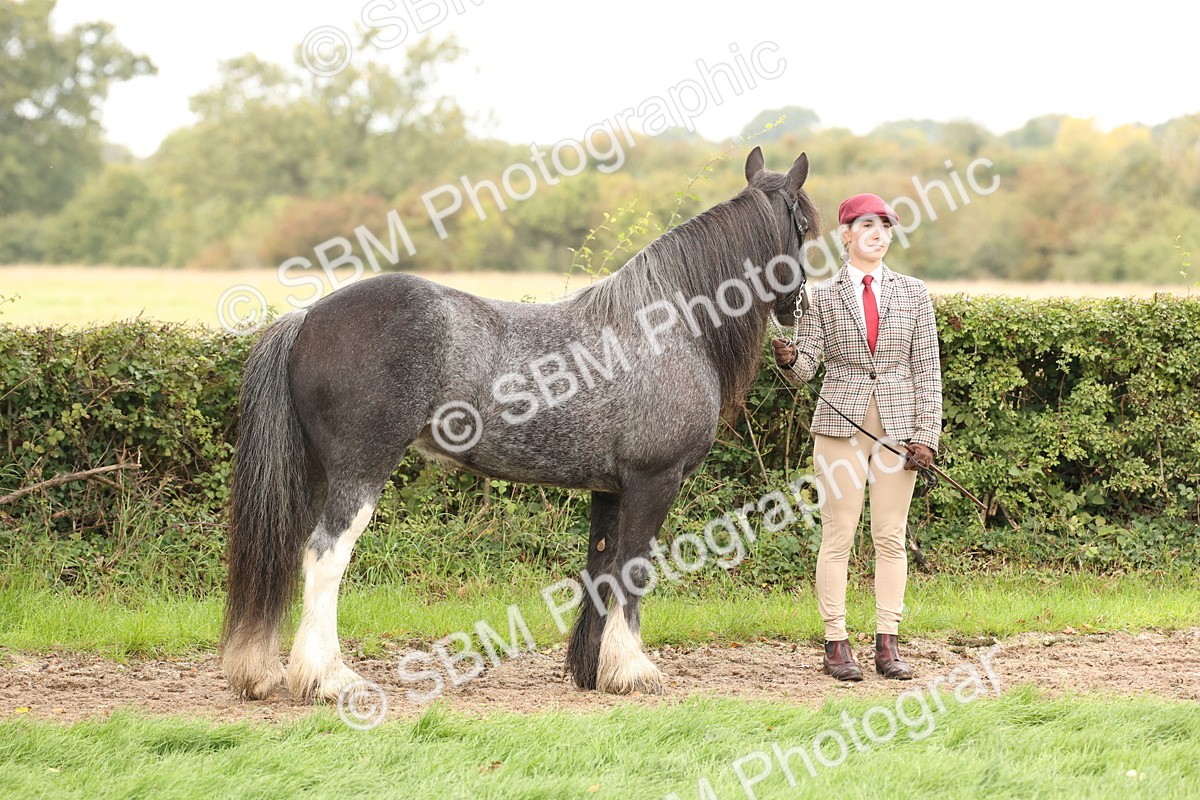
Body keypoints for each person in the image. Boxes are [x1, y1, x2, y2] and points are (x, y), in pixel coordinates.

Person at [772, 193, 942, 682]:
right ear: (845, 235)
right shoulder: (822, 296)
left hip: (899, 430)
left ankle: (887, 644)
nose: (879, 233)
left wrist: (925, 434)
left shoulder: (913, 293)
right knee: (838, 535)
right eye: (867, 225)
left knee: (890, 537)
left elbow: (926, 370)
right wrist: (788, 360)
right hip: (839, 427)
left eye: (886, 226)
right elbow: (806, 370)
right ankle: (836, 643)